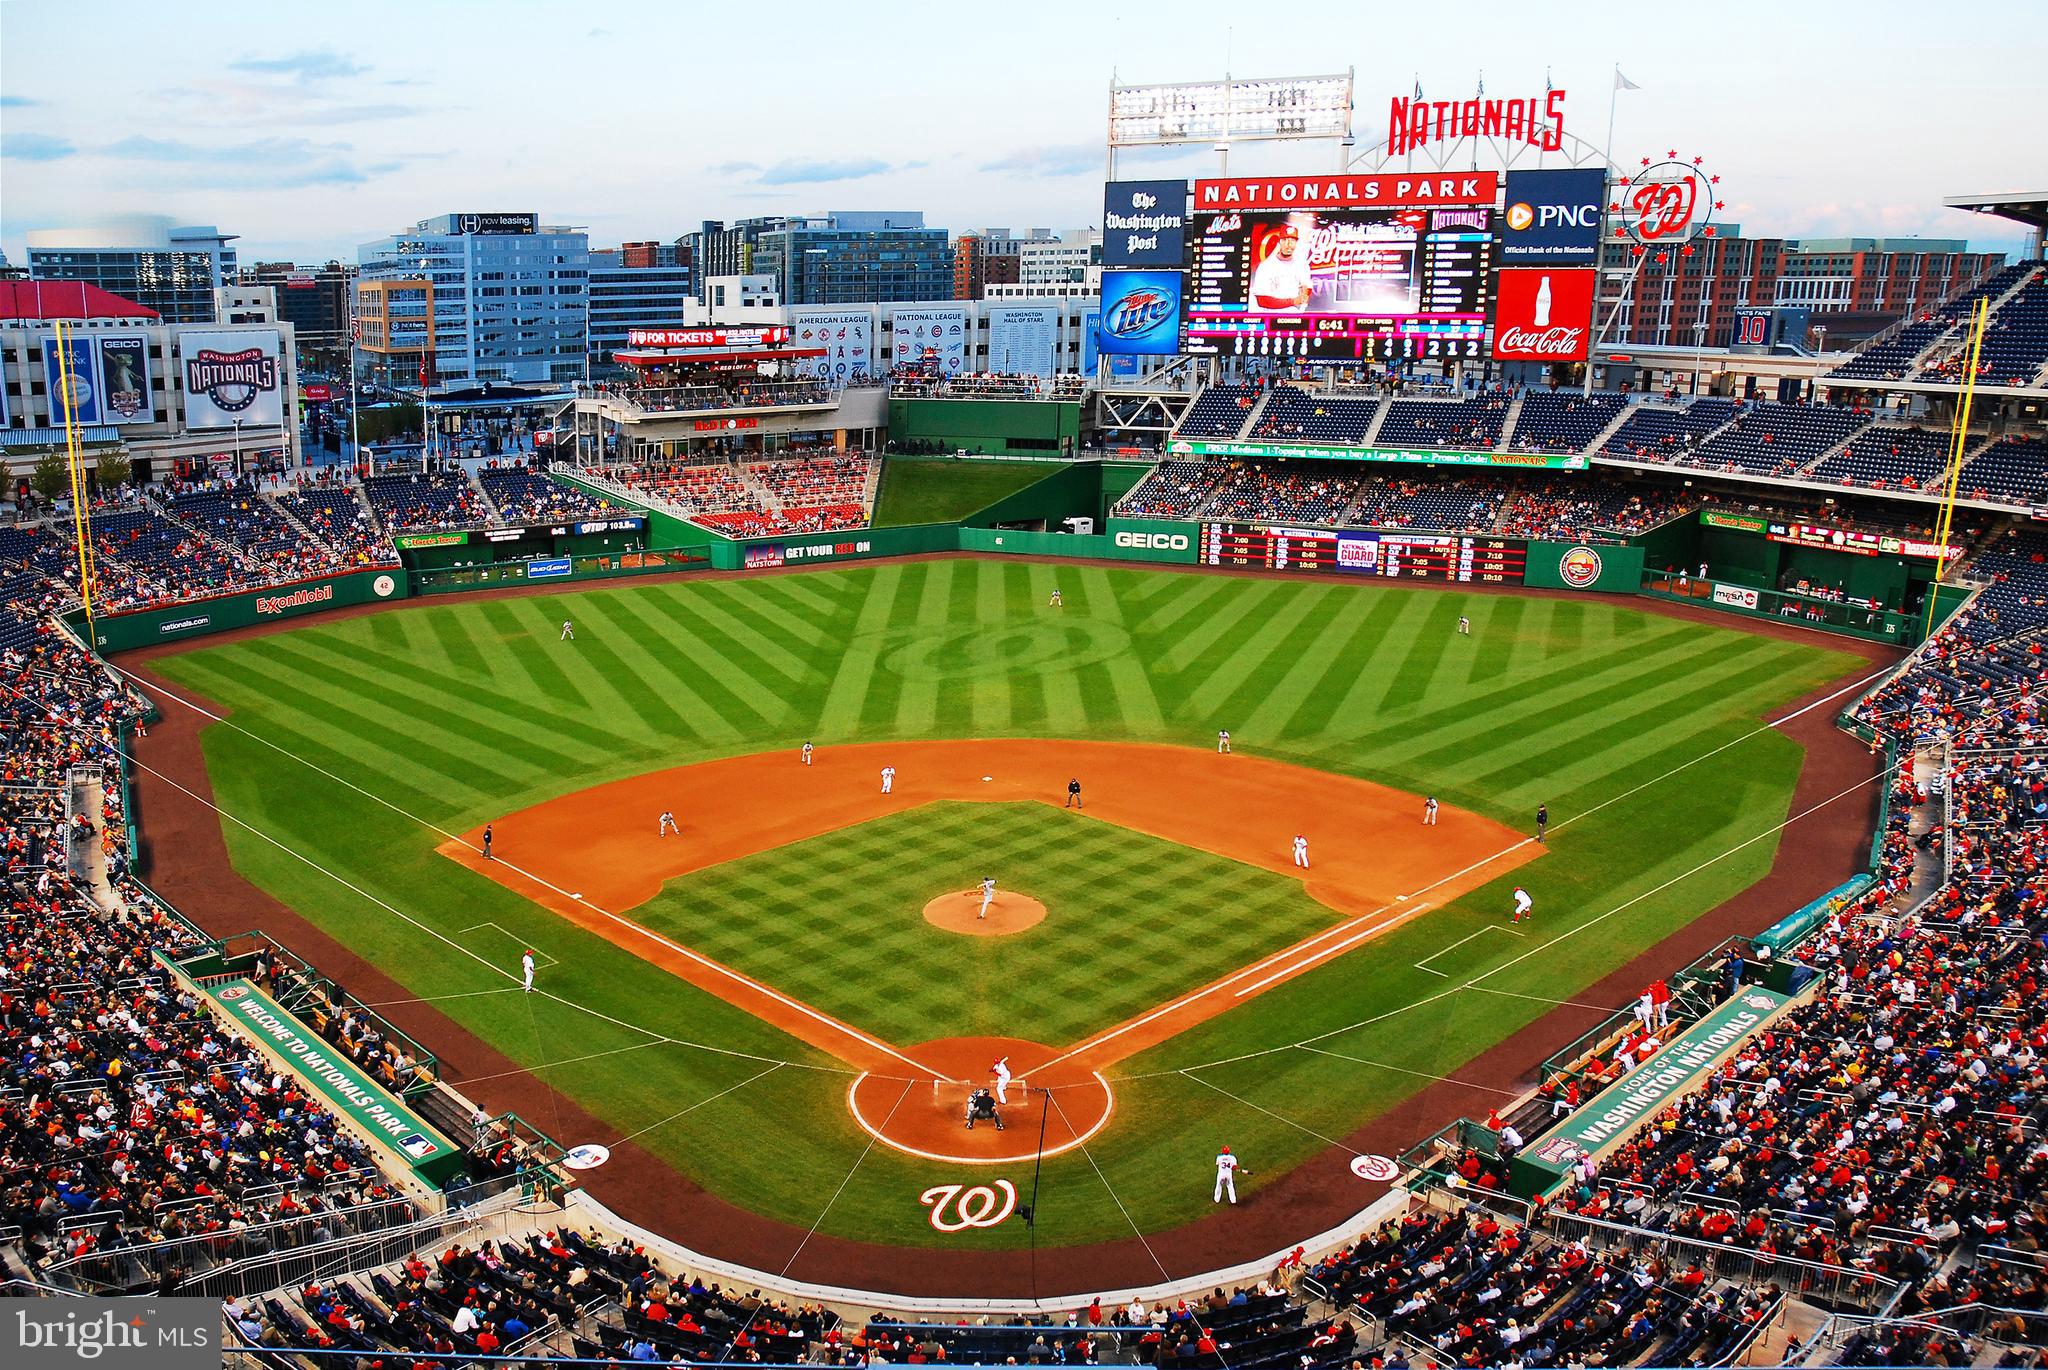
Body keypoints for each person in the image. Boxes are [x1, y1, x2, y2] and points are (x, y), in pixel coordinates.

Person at [1249, 223, 1314, 312]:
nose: (1289, 244)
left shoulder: (1302, 265)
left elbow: (1306, 288)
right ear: (1279, 241)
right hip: (1271, 319)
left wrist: (1304, 293)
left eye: (1292, 240)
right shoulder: (1266, 267)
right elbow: (1262, 301)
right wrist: (1293, 301)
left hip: (1296, 319)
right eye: (1285, 240)